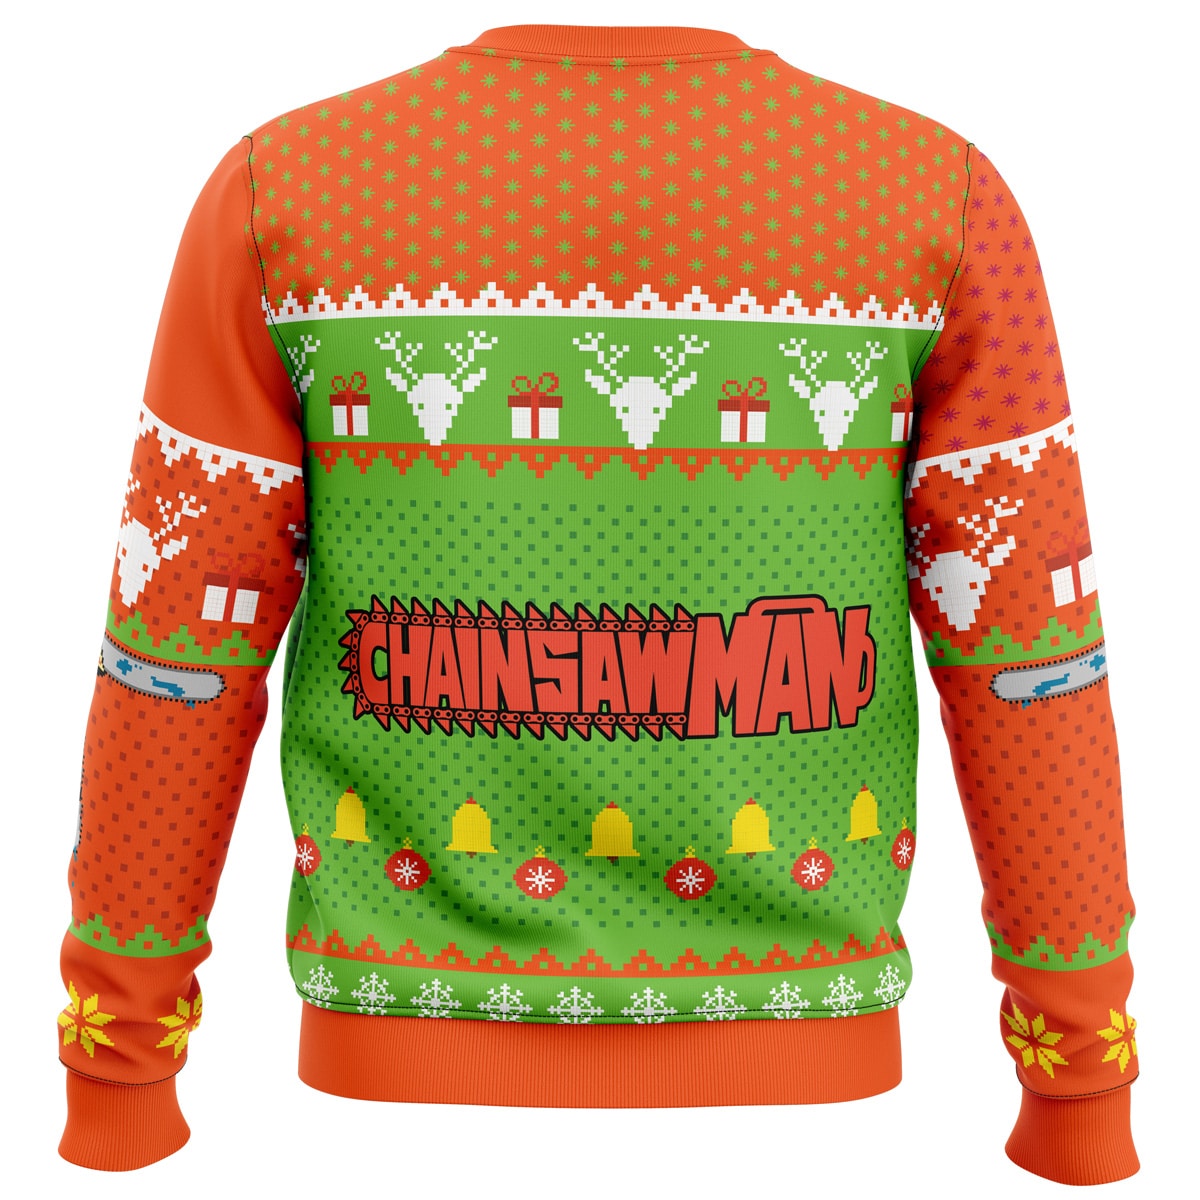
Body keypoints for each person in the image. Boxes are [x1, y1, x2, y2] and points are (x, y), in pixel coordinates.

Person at [57, 24, 1138, 1183]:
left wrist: (120, 1066)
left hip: (390, 1097)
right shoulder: (929, 190)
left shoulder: (289, 184)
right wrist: (1078, 1078)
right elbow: (1028, 661)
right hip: (808, 1100)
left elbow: (179, 646)